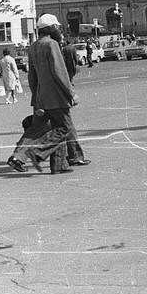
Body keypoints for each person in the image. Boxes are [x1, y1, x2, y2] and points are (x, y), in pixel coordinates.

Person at [21, 13, 89, 174]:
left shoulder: (34, 46)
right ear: (51, 29)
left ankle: (60, 162)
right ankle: (45, 154)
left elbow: (32, 77)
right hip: (56, 96)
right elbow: (60, 72)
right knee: (64, 127)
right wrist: (71, 93)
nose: (59, 29)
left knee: (49, 127)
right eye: (57, 26)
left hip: (41, 96)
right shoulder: (52, 45)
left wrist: (36, 97)